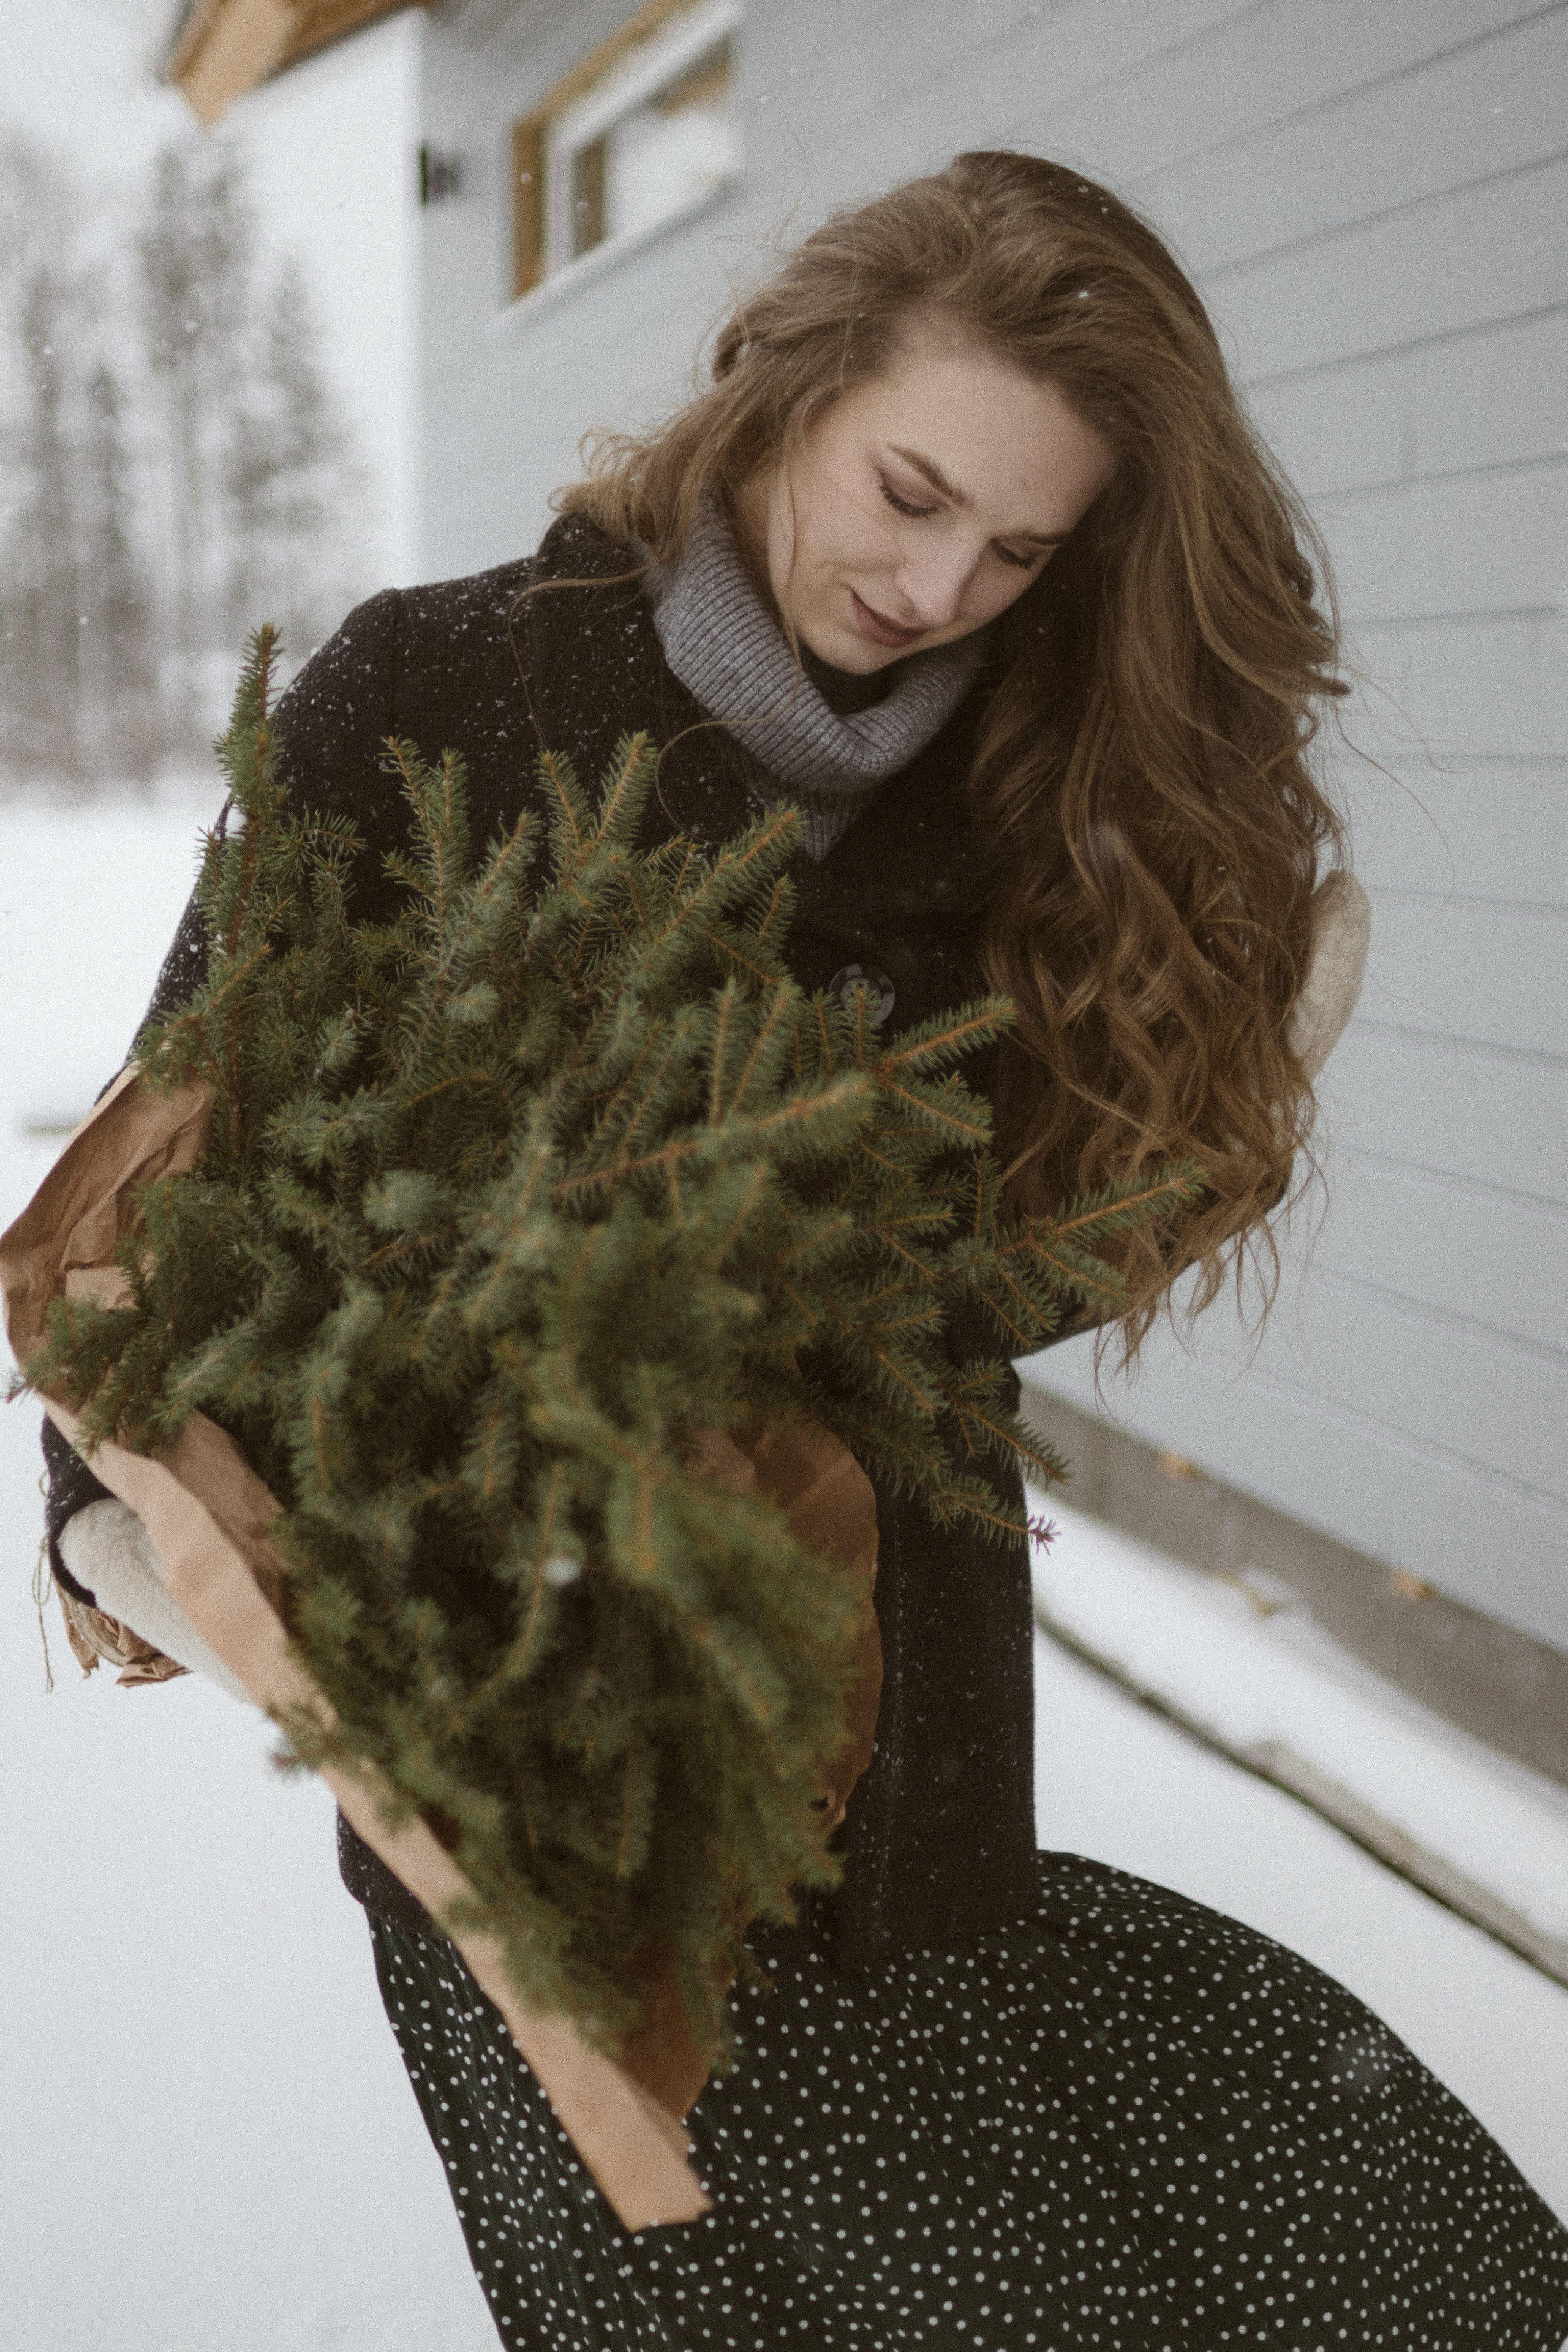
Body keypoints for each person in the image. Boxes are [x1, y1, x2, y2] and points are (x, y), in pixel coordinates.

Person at [48, 151, 1568, 2349]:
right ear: (784, 387)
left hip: (899, 1710)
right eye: (913, 489)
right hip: (519, 1744)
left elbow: (955, 1292)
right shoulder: (429, 699)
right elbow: (162, 1185)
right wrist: (127, 1520)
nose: (942, 582)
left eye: (1022, 548)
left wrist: (1187, 1144)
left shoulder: (1035, 804)